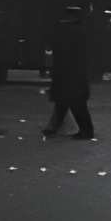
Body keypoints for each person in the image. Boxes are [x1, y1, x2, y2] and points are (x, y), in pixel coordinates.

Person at [42, 7, 96, 139]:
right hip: (74, 72)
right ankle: (55, 127)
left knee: (71, 102)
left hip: (68, 72)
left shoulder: (66, 31)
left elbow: (57, 47)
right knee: (68, 101)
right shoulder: (80, 31)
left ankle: (85, 131)